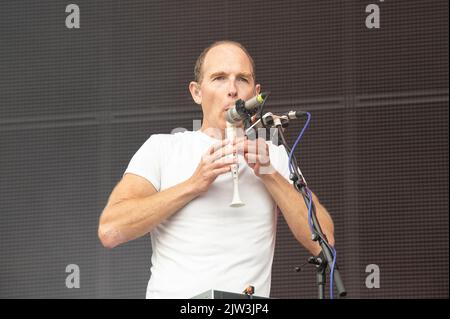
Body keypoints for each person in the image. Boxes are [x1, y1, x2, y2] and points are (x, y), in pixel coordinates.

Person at [98, 40, 335, 299]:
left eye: (241, 79)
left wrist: (270, 175)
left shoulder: (273, 155)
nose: (232, 90)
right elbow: (111, 230)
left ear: (255, 94)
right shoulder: (162, 148)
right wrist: (193, 184)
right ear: (196, 92)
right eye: (219, 78)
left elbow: (325, 243)